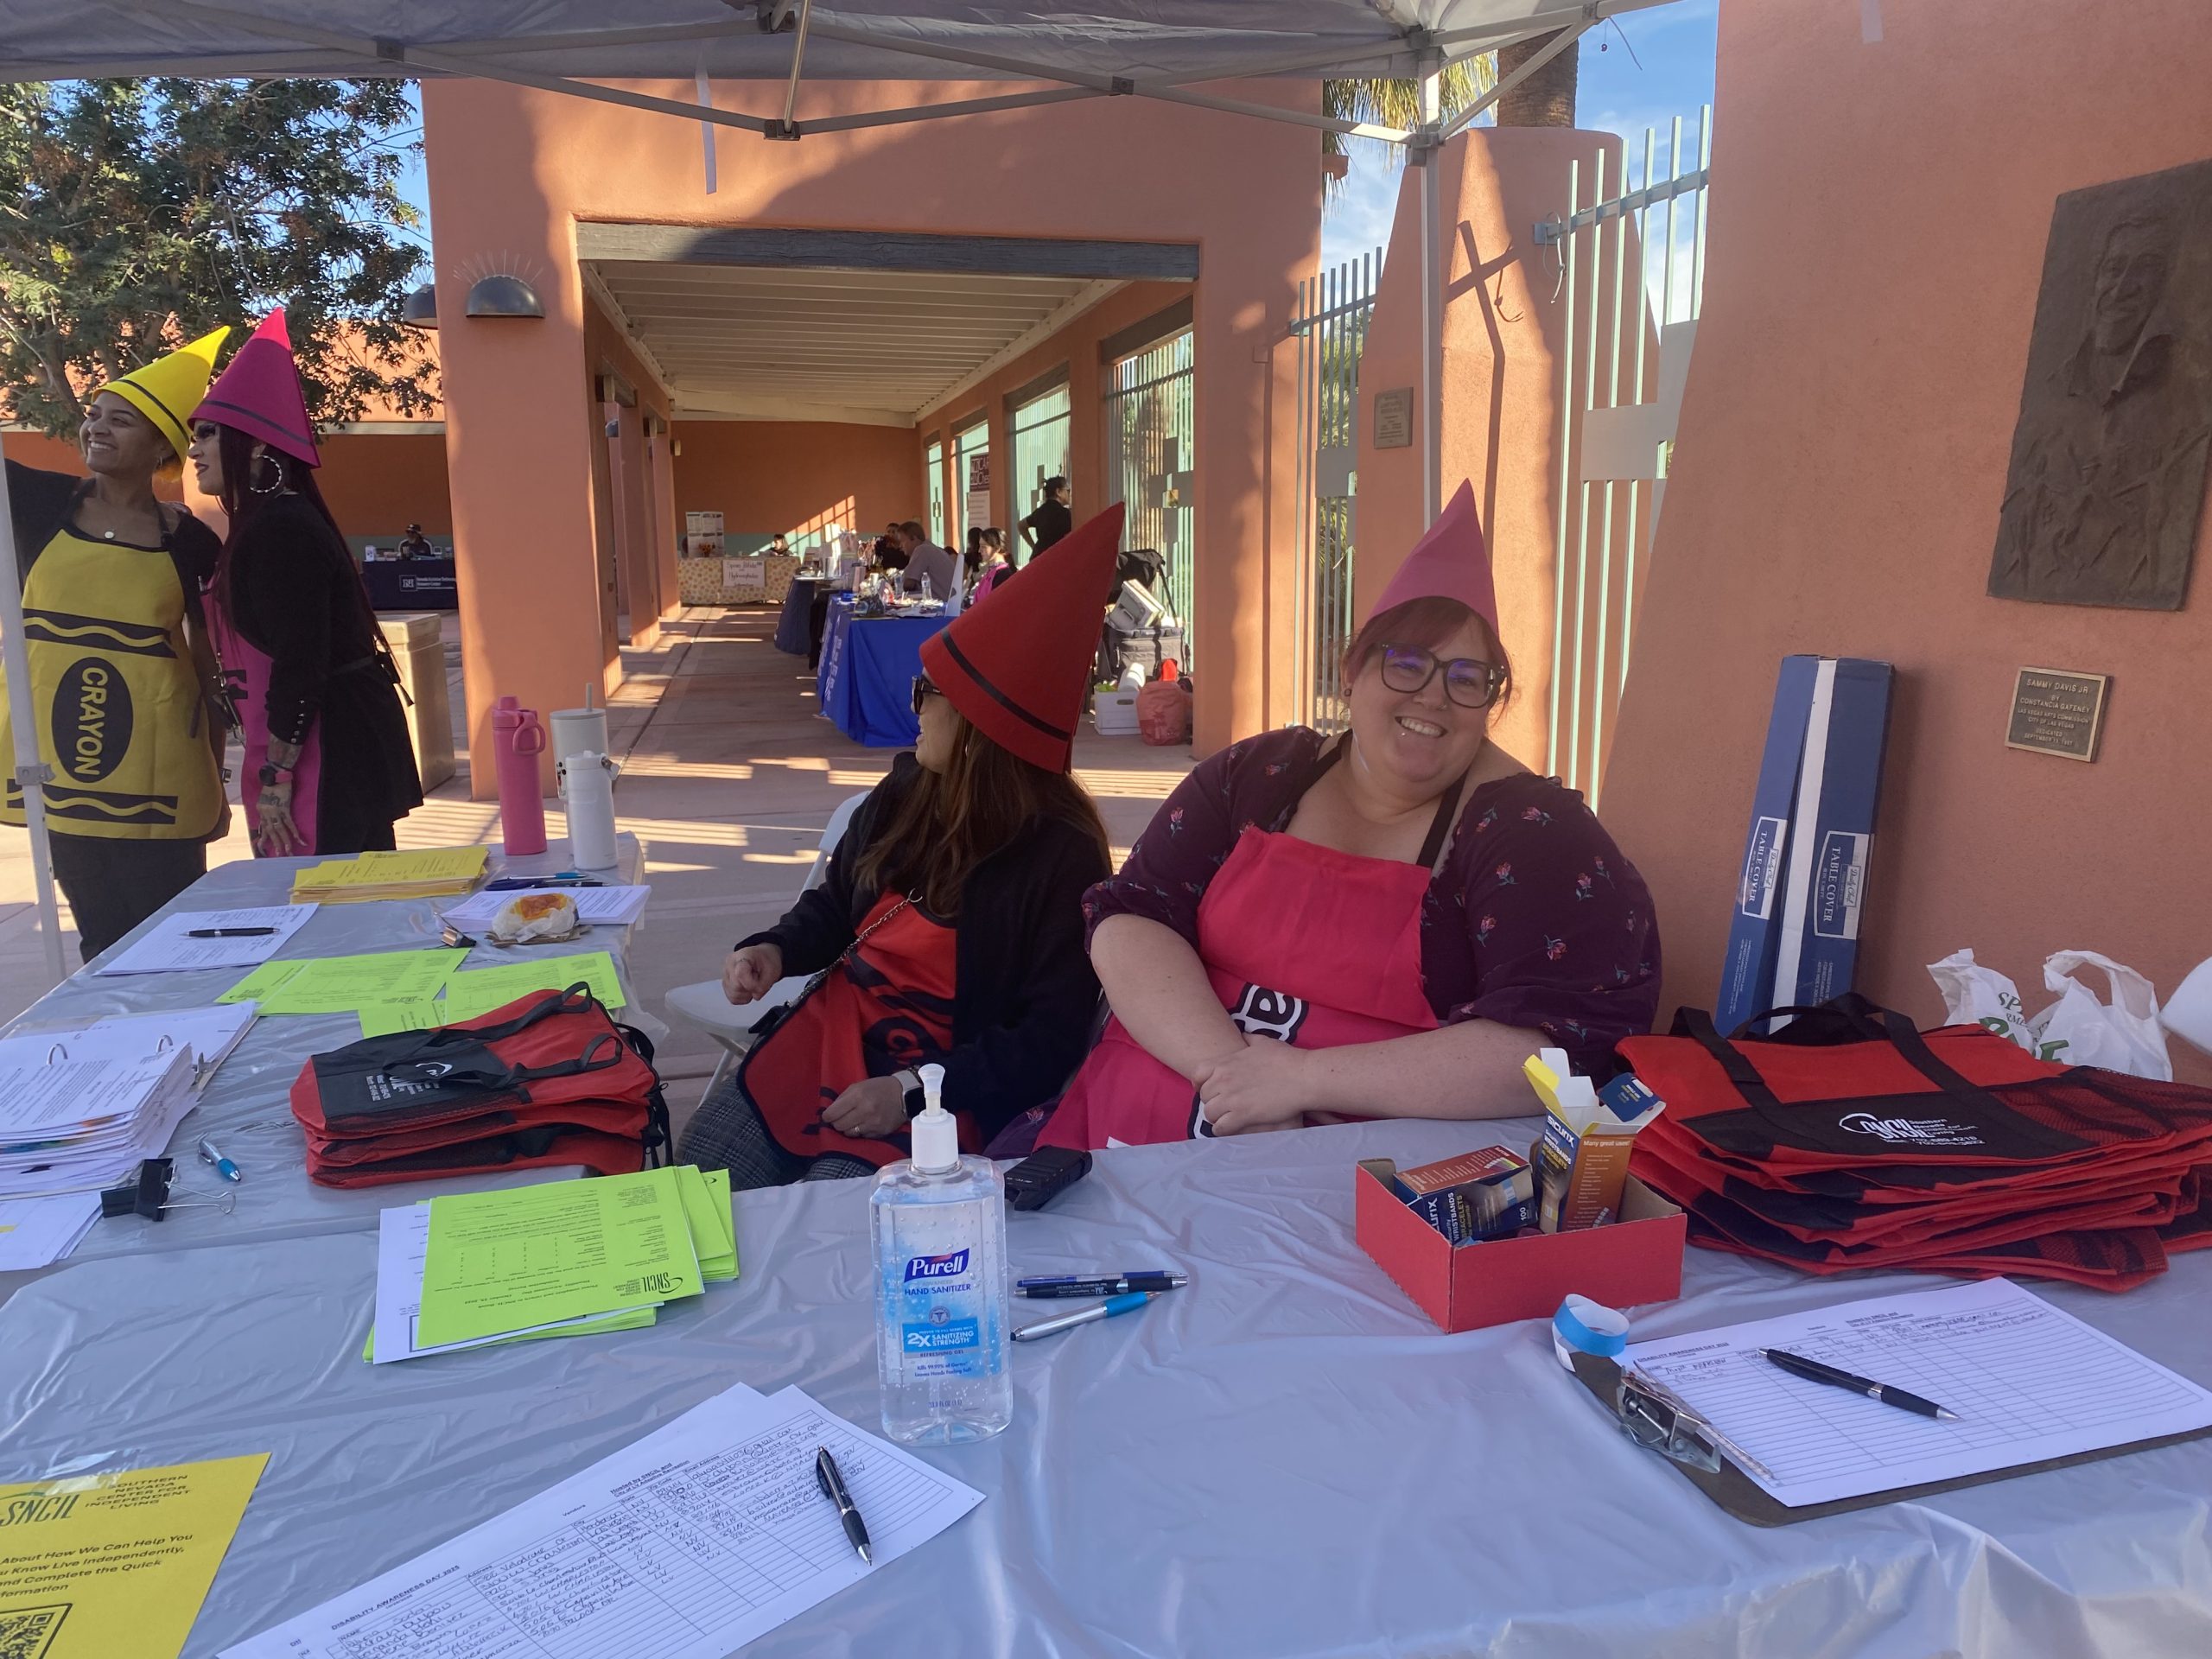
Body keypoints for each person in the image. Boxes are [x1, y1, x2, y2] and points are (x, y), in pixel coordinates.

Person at [1039, 482, 1661, 1150]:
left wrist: (1301, 1081)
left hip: (1354, 1174)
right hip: (1128, 1133)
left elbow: (1553, 1051)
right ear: (1350, 672)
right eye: (1407, 664)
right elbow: (1132, 916)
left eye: (1466, 677)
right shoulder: (1259, 775)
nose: (1434, 697)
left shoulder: (1534, 833)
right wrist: (1232, 1078)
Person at [679, 506, 1127, 1188]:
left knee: (840, 1215)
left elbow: (1048, 1037)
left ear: (978, 726)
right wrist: (775, 948)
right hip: (831, 1034)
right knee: (701, 1173)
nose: (913, 706)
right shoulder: (907, 791)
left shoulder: (1061, 856)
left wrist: (914, 1090)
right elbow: (836, 905)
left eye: (927, 693)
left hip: (946, 1084)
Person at [1, 329, 232, 961]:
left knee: (173, 947)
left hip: (164, 783)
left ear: (161, 447)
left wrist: (216, 782)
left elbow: (208, 669)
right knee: (102, 947)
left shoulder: (191, 542)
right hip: (64, 777)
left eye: (121, 421)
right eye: (95, 415)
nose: (97, 428)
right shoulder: (36, 502)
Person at [187, 310, 423, 857]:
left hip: (330, 747)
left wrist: (278, 775)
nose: (193, 451)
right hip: (336, 735)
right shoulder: (266, 523)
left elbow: (301, 660)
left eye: (208, 435)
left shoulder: (281, 529)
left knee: (330, 893)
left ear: (257, 445)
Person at [896, 519, 956, 598]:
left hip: (940, 602)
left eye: (902, 541)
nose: (900, 546)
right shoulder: (933, 549)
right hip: (948, 600)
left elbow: (908, 584)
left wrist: (894, 583)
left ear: (913, 538)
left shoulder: (922, 550)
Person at [1020, 475, 1073, 556]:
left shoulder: (1040, 511)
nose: (1070, 494)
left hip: (1040, 556)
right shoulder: (1064, 513)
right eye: (1068, 490)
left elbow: (1021, 525)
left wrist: (1034, 547)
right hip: (1056, 557)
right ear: (1058, 492)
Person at [969, 527, 1015, 603]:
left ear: (997, 548)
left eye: (983, 547)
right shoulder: (991, 572)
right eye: (980, 546)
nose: (979, 550)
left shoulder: (1003, 574)